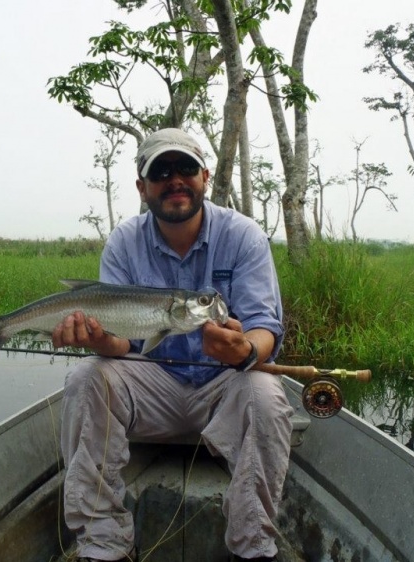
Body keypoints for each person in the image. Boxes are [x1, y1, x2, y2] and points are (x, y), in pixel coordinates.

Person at [52, 128, 294, 562]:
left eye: (184, 168)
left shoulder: (243, 236)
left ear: (204, 176)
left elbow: (263, 328)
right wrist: (98, 339)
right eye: (161, 171)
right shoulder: (125, 242)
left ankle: (252, 548)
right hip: (152, 385)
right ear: (142, 187)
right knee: (87, 376)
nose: (175, 179)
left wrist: (244, 352)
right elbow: (120, 342)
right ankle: (103, 544)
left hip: (224, 387)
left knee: (264, 393)